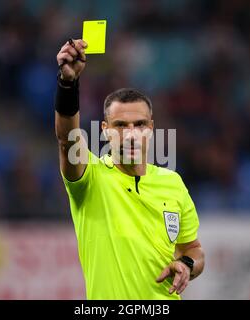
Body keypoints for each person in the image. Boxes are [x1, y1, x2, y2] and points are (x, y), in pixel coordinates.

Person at [54, 38, 205, 300]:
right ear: (105, 130)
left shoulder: (173, 183)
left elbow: (193, 249)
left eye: (139, 124)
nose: (131, 134)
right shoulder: (90, 177)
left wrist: (187, 265)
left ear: (151, 128)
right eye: (121, 125)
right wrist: (68, 84)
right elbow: (67, 137)